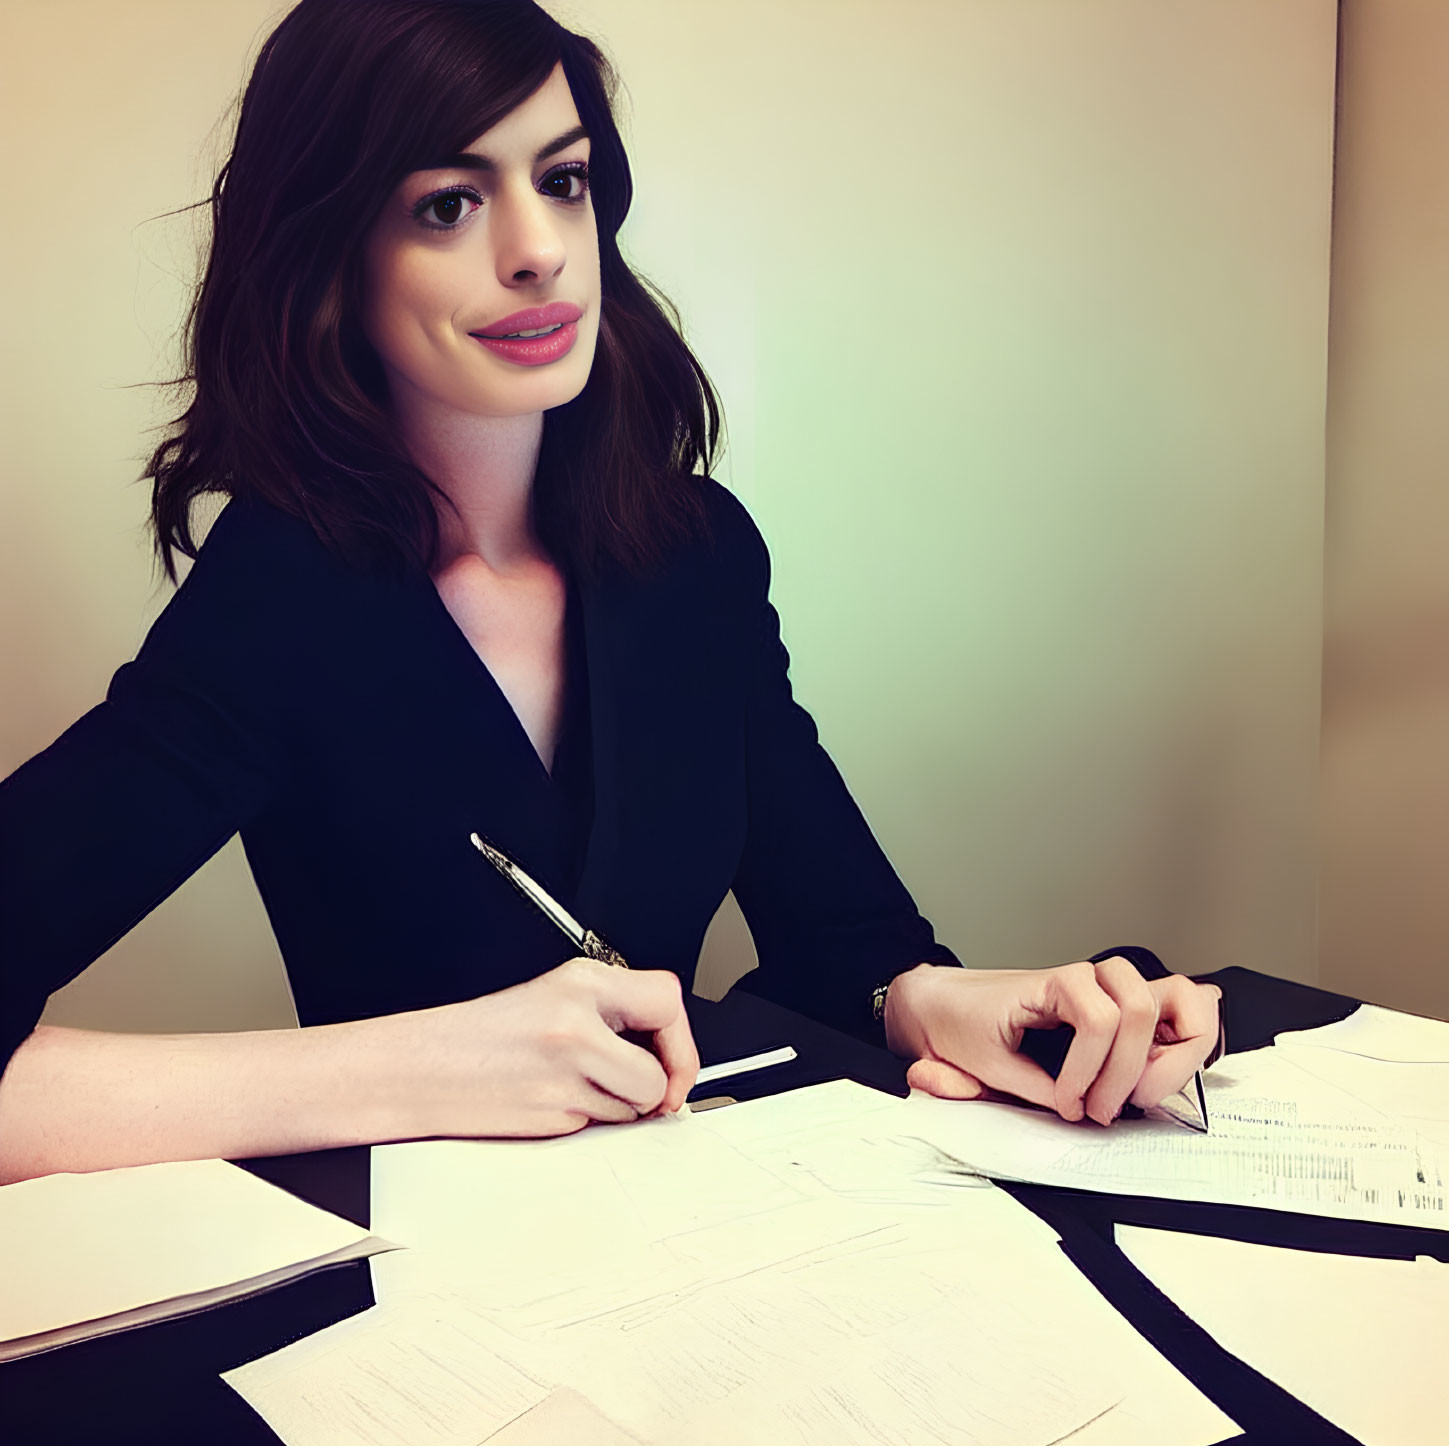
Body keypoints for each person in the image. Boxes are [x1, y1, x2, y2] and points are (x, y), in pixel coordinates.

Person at [0, 0, 1221, 1185]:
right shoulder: (282, 602)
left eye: (565, 180)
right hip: (421, 1315)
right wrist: (418, 1067)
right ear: (333, 260)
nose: (536, 249)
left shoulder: (693, 557)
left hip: (717, 1260)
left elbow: (846, 940)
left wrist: (961, 1004)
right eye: (446, 203)